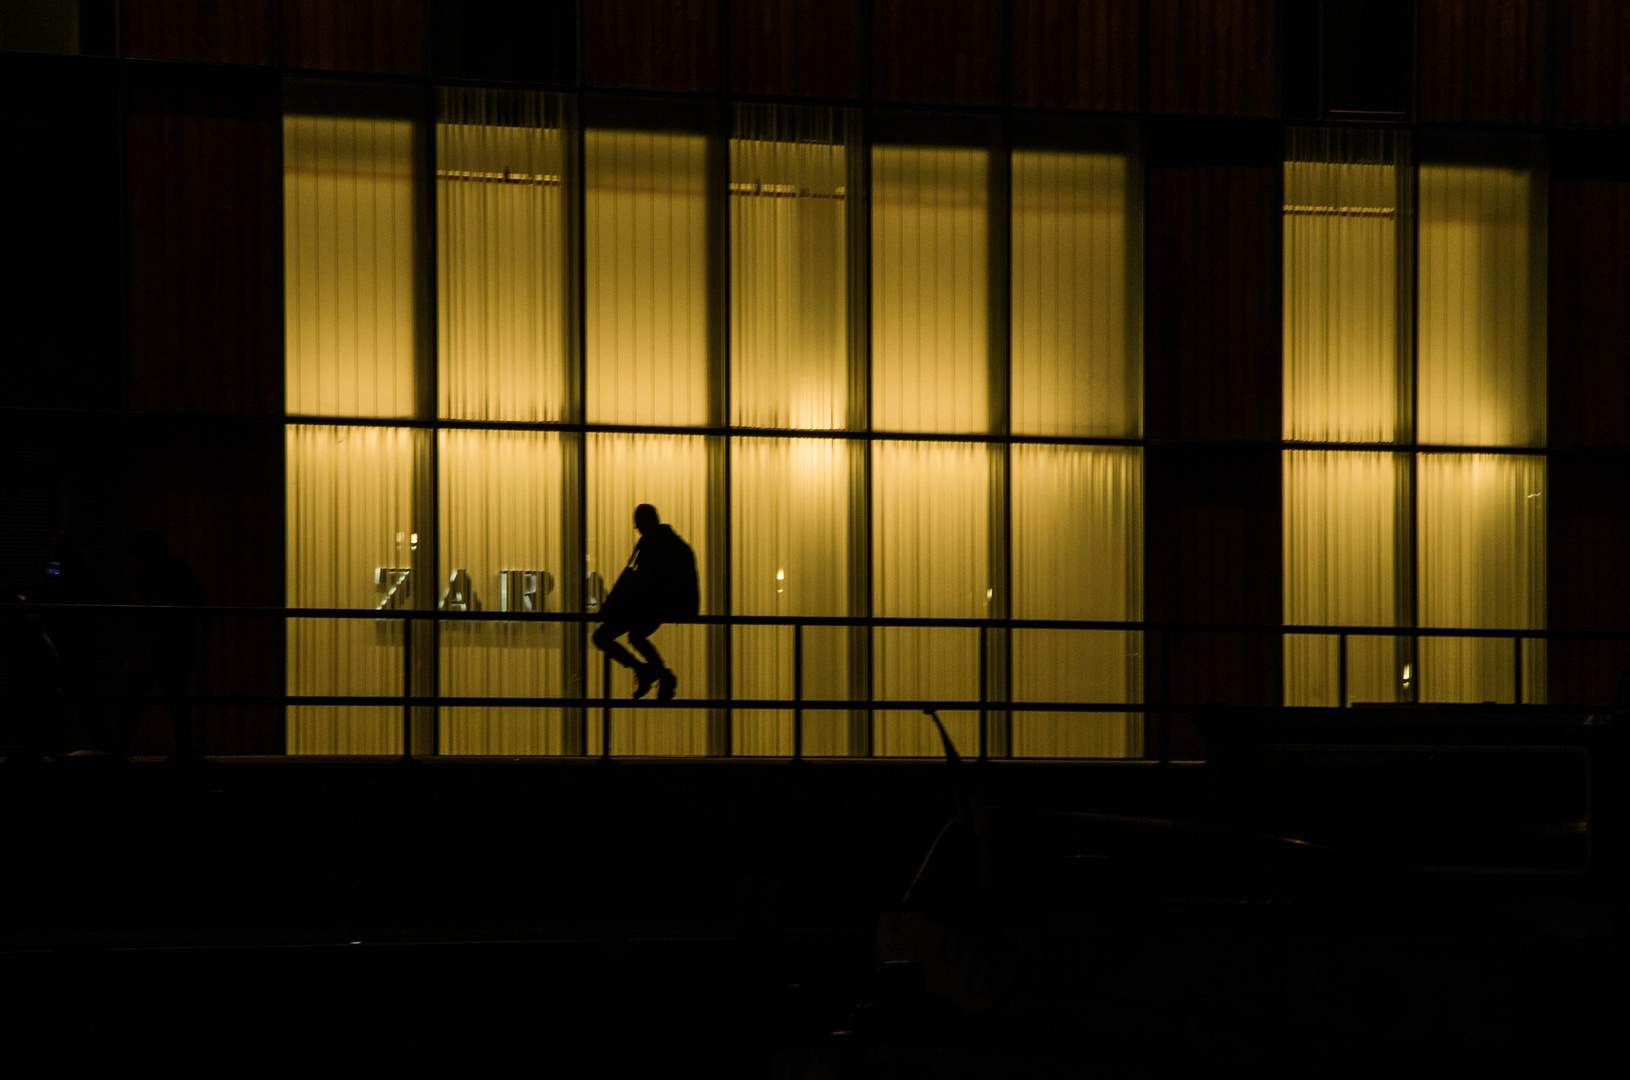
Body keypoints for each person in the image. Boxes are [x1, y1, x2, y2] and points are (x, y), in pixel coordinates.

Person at [592, 504, 698, 701]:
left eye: (638, 525)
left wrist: (610, 606)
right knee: (636, 635)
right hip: (674, 605)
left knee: (601, 636)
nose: (638, 530)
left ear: (643, 524)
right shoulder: (675, 542)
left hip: (658, 605)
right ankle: (658, 674)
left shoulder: (649, 542)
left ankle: (646, 670)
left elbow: (633, 578)